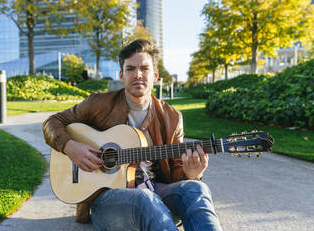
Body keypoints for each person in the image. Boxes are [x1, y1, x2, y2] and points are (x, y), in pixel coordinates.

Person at [43, 39, 222, 231]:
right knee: (145, 199)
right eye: (130, 69)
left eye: (144, 68)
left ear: (155, 75)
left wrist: (192, 175)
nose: (138, 75)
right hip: (108, 199)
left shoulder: (172, 117)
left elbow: (176, 175)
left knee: (197, 189)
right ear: (121, 75)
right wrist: (71, 147)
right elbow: (51, 123)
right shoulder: (98, 104)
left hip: (155, 191)